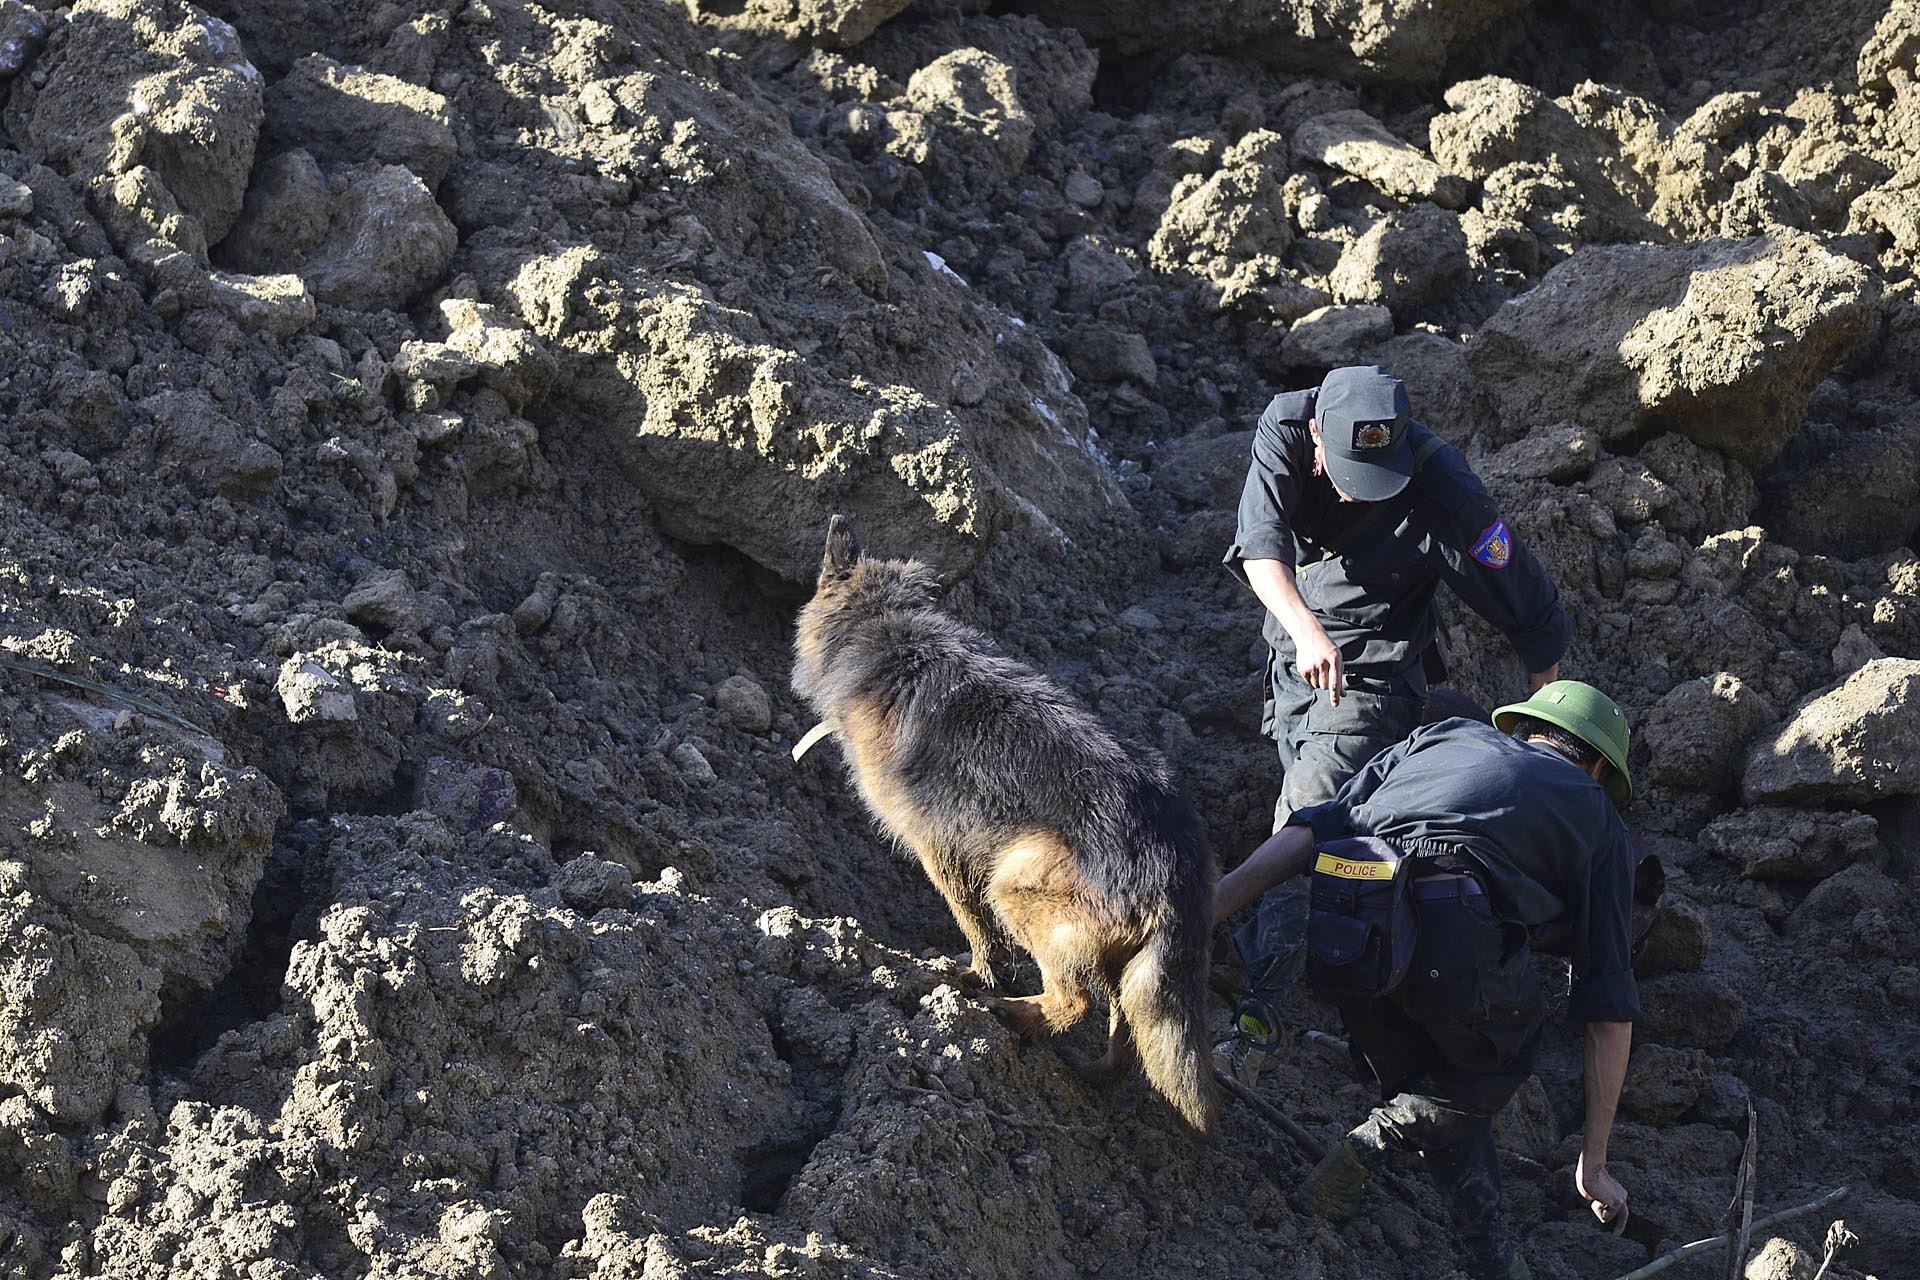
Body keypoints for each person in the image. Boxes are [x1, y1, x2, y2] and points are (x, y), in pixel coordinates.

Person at [1216, 364, 1574, 1083]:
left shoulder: (1442, 488)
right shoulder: (1286, 427)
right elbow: (1261, 551)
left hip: (1372, 686)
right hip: (1293, 660)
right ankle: (1365, 986)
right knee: (1336, 831)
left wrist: (1551, 750)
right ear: (1317, 437)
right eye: (1351, 473)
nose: (1361, 490)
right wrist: (1309, 632)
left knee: (1299, 831)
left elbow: (1530, 608)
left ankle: (1257, 1025)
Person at [1212, 681, 1639, 1280]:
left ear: (1522, 729)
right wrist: (1593, 1163)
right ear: (1597, 767)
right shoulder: (1598, 817)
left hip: (1346, 927)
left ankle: (1493, 1260)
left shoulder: (1443, 736)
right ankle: (1365, 1146)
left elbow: (1316, 826)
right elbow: (1607, 1005)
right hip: (1447, 930)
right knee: (1492, 1063)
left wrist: (1217, 901)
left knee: (1432, 1083)